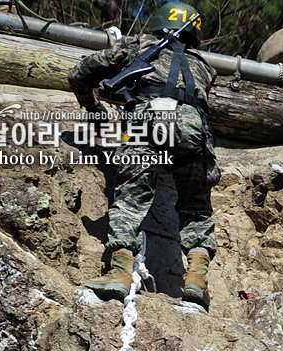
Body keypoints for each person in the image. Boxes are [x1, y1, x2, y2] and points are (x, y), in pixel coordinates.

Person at [68, 1, 220, 310]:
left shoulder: (138, 44)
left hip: (147, 120)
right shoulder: (206, 67)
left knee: (130, 199)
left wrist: (92, 106)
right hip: (194, 129)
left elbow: (79, 74)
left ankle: (121, 272)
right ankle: (196, 280)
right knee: (197, 209)